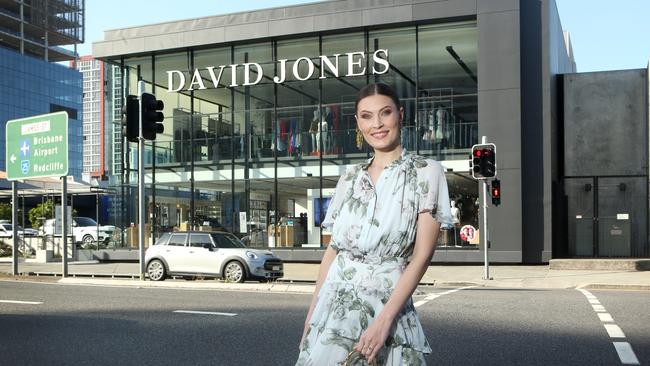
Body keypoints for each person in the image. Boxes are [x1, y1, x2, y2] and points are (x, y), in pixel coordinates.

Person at [296, 83, 452, 365]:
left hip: (386, 305)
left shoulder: (427, 172)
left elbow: (422, 255)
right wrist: (313, 311)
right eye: (366, 116)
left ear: (400, 115)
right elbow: (334, 250)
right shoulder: (350, 177)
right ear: (357, 122)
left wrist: (384, 321)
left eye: (385, 113)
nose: (377, 124)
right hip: (333, 307)